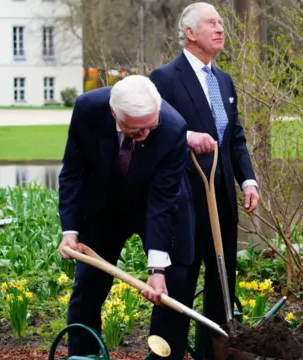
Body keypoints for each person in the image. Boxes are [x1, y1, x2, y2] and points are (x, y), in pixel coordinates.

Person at [57, 75, 195, 359]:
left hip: (158, 204)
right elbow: (73, 170)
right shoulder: (88, 109)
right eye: (136, 130)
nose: (145, 134)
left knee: (172, 284)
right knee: (87, 287)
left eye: (150, 127)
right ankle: (83, 356)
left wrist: (156, 270)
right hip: (104, 205)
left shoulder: (172, 127)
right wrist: (69, 231)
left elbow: (162, 202)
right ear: (113, 114)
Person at [149, 2, 260, 358]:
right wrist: (185, 137)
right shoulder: (164, 79)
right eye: (212, 22)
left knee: (221, 281)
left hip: (222, 200)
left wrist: (248, 181)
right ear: (190, 32)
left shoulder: (224, 81)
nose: (220, 28)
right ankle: (167, 352)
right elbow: (151, 130)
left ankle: (214, 352)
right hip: (183, 201)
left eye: (222, 22)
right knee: (179, 280)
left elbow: (235, 138)